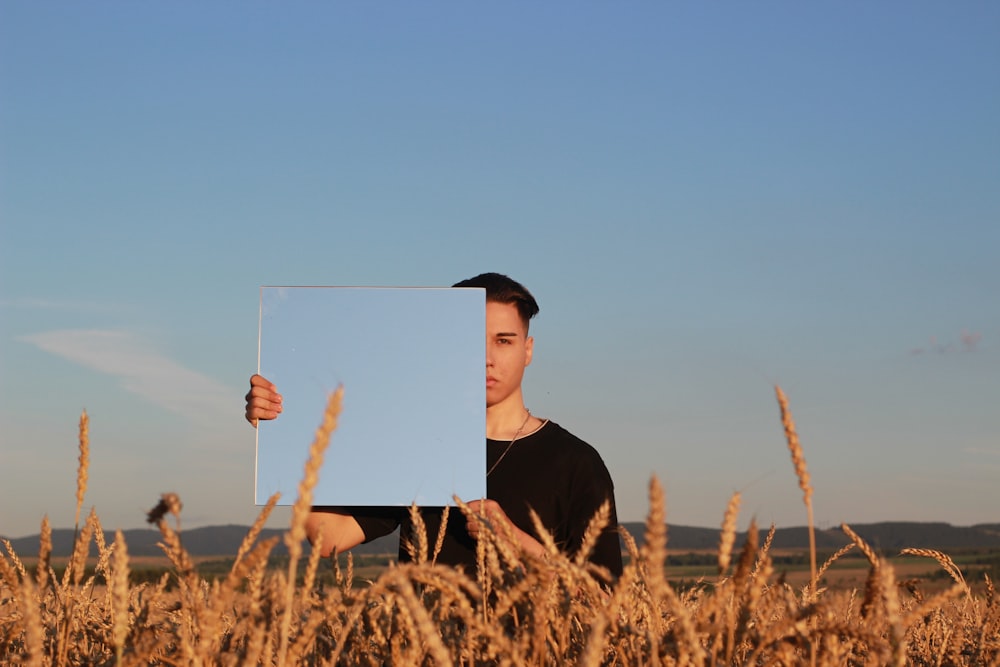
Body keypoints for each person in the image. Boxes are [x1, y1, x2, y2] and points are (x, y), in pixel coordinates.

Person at [245, 273, 623, 579]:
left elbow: (606, 603)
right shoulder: (416, 443)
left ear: (528, 349)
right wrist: (286, 428)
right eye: (471, 341)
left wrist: (516, 541)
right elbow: (326, 537)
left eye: (504, 341)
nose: (487, 358)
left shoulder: (576, 463)